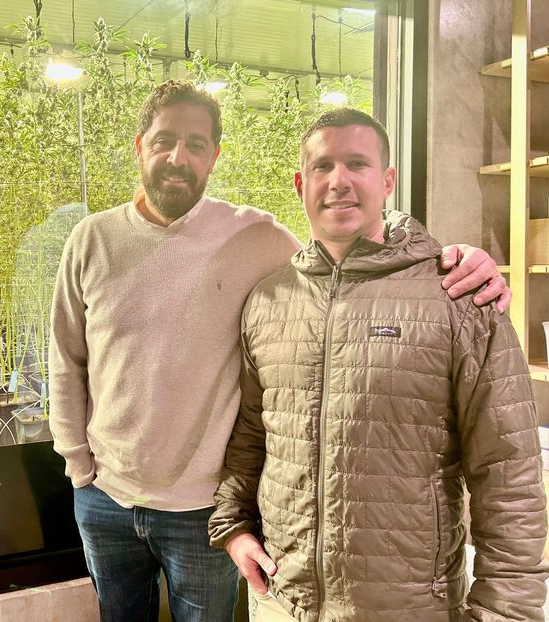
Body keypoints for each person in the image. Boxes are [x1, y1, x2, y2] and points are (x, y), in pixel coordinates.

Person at [49, 81, 510, 622]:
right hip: (105, 498)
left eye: (197, 145)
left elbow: (346, 265)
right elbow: (66, 358)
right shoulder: (91, 239)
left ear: (214, 157)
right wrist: (79, 466)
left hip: (203, 509)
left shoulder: (257, 237)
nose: (178, 157)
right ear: (139, 145)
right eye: (164, 140)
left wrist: (458, 260)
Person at [208, 108, 547, 621]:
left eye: (357, 164)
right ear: (301, 184)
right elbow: (254, 434)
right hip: (282, 601)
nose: (338, 181)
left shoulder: (456, 295)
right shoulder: (268, 300)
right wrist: (233, 527)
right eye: (322, 167)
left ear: (387, 180)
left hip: (408, 608)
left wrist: (505, 612)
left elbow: (508, 473)